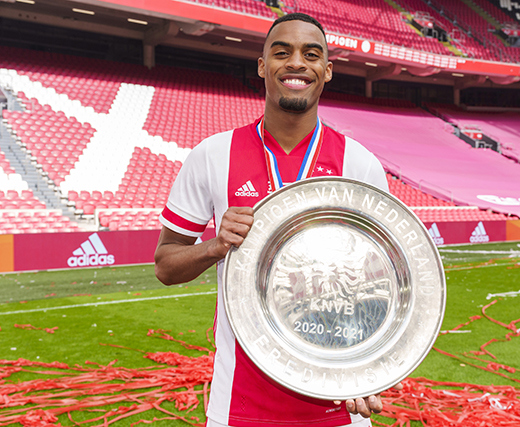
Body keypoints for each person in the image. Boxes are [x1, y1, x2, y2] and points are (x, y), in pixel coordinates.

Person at [155, 12, 398, 427]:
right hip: (239, 408)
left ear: (327, 70)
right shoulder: (213, 155)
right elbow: (165, 265)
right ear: (262, 66)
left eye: (311, 54)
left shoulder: (360, 164)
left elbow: (387, 285)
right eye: (282, 53)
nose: (297, 63)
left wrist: (371, 366)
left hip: (340, 407)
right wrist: (216, 247)